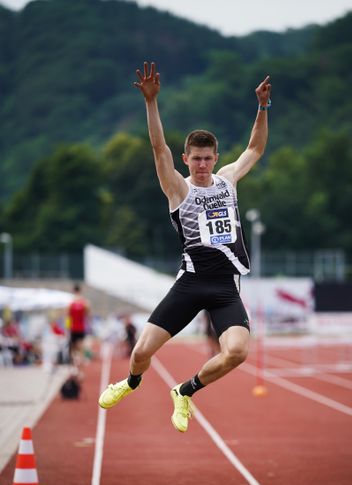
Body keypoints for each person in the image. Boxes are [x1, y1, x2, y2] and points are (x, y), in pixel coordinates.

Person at [99, 61, 271, 433]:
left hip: (225, 287)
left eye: (209, 158)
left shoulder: (227, 181)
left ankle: (185, 391)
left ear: (216, 157)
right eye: (196, 159)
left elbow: (255, 149)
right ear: (186, 160)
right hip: (190, 284)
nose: (204, 165)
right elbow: (158, 146)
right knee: (142, 352)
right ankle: (129, 382)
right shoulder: (179, 189)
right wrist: (151, 102)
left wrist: (262, 107)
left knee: (238, 352)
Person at [67, 284, 90, 367]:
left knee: (73, 349)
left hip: (73, 328)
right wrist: (88, 326)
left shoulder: (70, 303)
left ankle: (76, 366)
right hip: (81, 328)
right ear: (80, 291)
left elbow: (68, 317)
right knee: (81, 348)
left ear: (73, 291)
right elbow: (88, 316)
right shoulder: (85, 302)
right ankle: (80, 367)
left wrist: (68, 328)